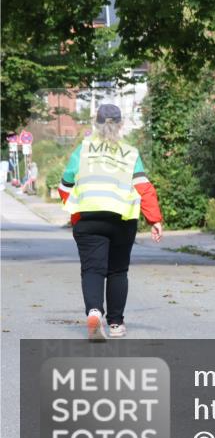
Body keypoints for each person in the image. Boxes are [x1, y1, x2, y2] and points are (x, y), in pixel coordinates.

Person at [58, 104, 165, 340]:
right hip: (121, 220)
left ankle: (94, 312)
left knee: (92, 269)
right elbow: (144, 188)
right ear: (120, 125)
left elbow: (65, 186)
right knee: (117, 271)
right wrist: (154, 219)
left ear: (96, 124)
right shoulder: (130, 152)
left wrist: (74, 209)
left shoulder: (82, 150)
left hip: (88, 219)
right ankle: (116, 324)